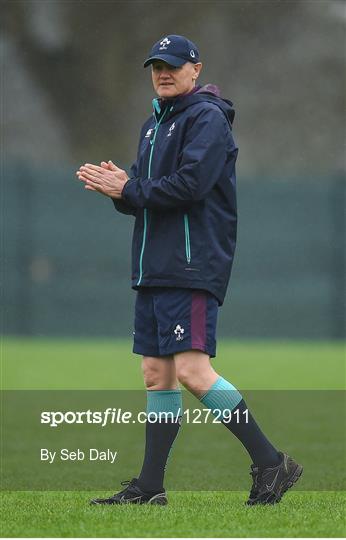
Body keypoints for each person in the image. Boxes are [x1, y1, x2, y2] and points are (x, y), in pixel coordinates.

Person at [77, 34, 302, 506]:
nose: (163, 72)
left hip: (190, 263)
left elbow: (189, 186)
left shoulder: (206, 119)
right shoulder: (153, 125)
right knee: (156, 373)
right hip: (155, 265)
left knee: (194, 372)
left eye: (174, 65)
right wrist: (120, 190)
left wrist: (131, 189)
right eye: (157, 65)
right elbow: (144, 194)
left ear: (196, 70)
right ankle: (150, 487)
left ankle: (271, 462)